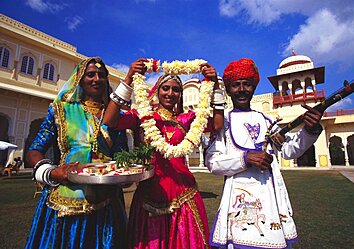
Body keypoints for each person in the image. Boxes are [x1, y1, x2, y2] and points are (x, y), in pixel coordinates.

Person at [103, 58, 224, 249]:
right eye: (165, 88)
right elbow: (109, 121)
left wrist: (215, 86)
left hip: (184, 192)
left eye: (176, 89)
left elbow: (217, 125)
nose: (170, 93)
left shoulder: (187, 119)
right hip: (150, 192)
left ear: (180, 95)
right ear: (157, 91)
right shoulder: (142, 116)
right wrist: (127, 79)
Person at [205, 58, 324, 249]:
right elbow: (213, 162)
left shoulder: (267, 121)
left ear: (253, 88)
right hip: (238, 199)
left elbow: (289, 150)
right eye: (235, 85)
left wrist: (310, 130)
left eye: (247, 84)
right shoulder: (222, 123)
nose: (242, 89)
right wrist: (245, 159)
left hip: (270, 198)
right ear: (228, 90)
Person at [25, 57, 127, 248]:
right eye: (90, 74)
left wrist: (126, 173)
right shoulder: (61, 111)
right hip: (65, 200)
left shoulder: (116, 117)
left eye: (102, 75)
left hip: (106, 202)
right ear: (80, 79)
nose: (97, 79)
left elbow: (121, 154)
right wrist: (52, 172)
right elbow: (34, 150)